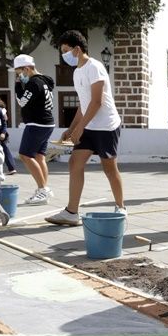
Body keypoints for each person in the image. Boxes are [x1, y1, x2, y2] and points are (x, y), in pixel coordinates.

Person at [45, 30, 126, 226]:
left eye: (66, 51)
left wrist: (79, 129)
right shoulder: (77, 71)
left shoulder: (95, 67)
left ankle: (121, 207)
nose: (64, 56)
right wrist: (71, 128)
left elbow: (97, 102)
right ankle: (72, 212)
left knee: (109, 168)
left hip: (106, 126)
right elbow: (84, 103)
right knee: (75, 162)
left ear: (77, 49)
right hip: (89, 125)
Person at [12, 54, 57, 203]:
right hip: (46, 123)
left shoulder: (34, 82)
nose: (19, 77)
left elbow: (22, 102)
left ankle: (42, 190)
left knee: (25, 155)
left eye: (19, 73)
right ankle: (45, 188)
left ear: (26, 68)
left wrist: (18, 85)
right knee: (39, 156)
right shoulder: (45, 81)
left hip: (37, 123)